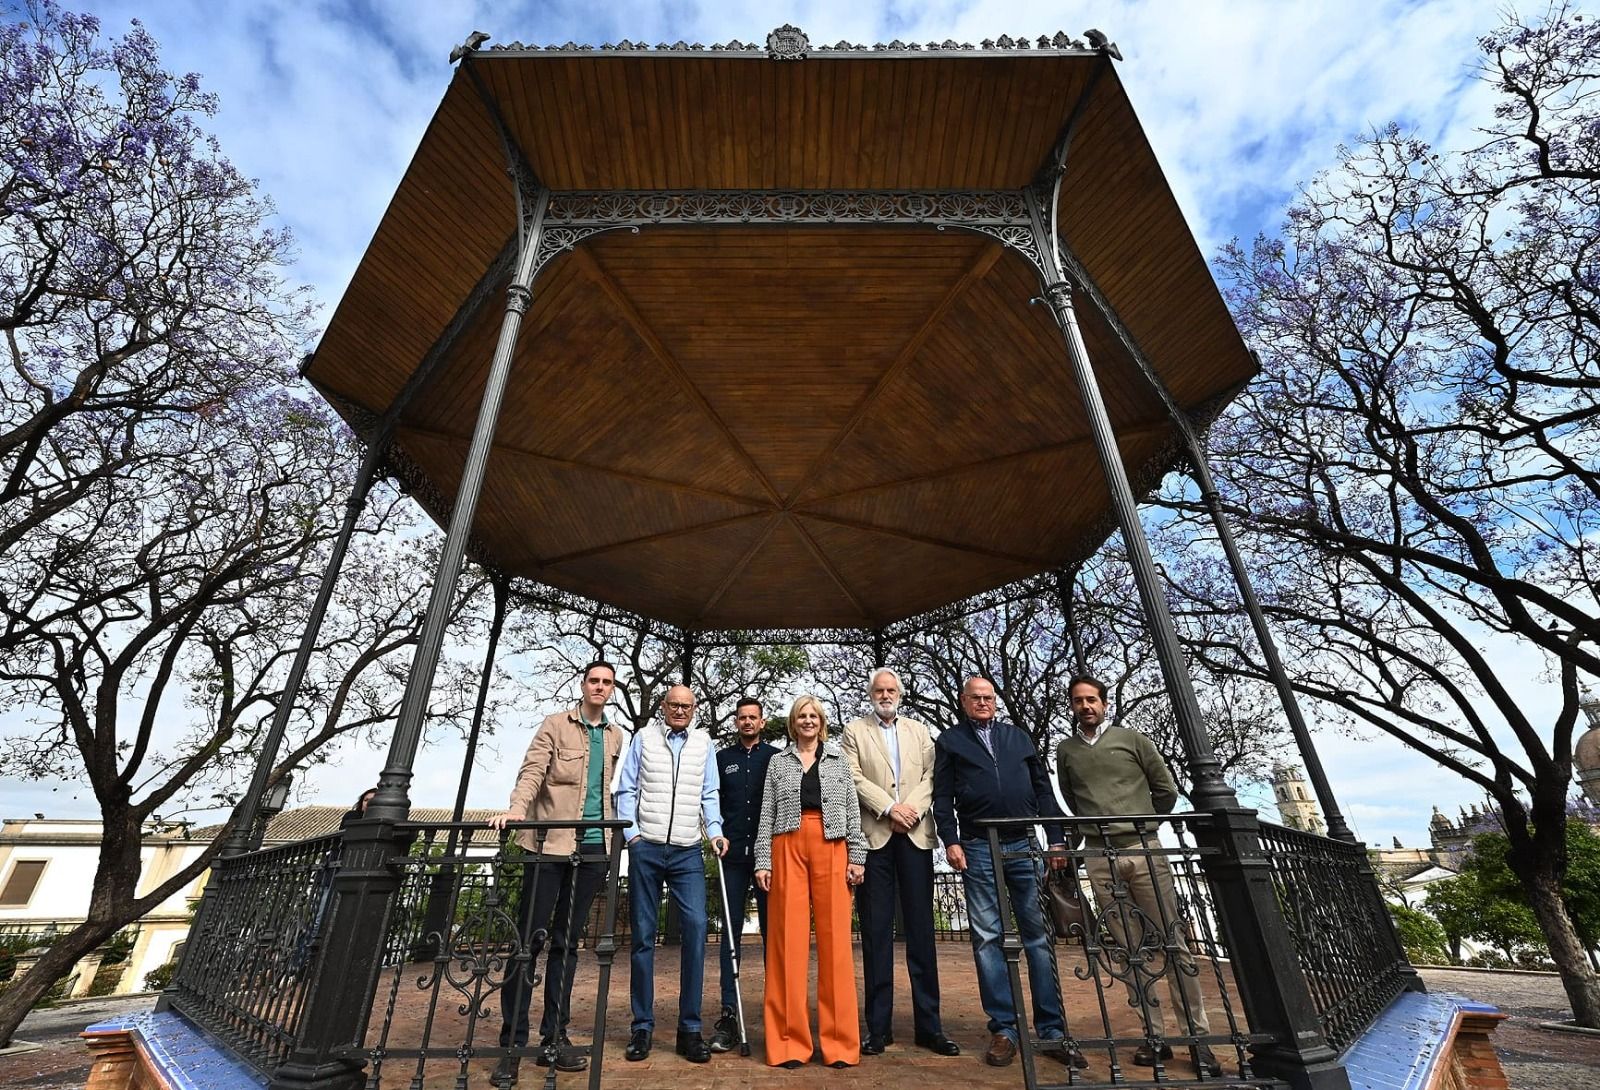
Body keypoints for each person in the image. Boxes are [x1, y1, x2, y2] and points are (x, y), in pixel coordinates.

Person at [1055, 676, 1221, 1076]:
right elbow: (1072, 798)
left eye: (1092, 699)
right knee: (1128, 949)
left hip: (1144, 850)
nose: (1085, 706)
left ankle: (1198, 1039)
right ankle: (1154, 1036)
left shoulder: (1133, 740)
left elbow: (1165, 789)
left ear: (1105, 703)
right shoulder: (1067, 750)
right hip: (1099, 855)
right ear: (1073, 707)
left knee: (1173, 942)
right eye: (1078, 701)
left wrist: (1143, 825)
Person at [932, 676, 1083, 1070]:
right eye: (976, 698)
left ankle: (1051, 1029)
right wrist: (951, 840)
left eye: (988, 697)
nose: (983, 702)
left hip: (1023, 843)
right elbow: (942, 798)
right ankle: (1005, 1029)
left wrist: (1054, 838)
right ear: (963, 701)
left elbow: (1043, 788)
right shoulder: (950, 741)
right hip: (979, 846)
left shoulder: (1018, 737)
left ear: (995, 701)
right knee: (987, 938)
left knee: (1038, 936)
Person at [485, 661, 624, 1082]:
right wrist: (516, 809)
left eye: (607, 683)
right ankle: (512, 1042)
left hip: (594, 849)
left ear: (612, 690)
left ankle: (554, 1039)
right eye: (594, 680)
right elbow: (532, 772)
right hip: (548, 846)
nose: (599, 687)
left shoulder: (617, 736)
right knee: (528, 942)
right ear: (583, 686)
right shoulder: (555, 725)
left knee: (567, 945)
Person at [840, 668, 959, 1057]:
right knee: (875, 935)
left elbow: (932, 776)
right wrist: (889, 807)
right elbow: (851, 777)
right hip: (874, 839)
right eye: (879, 689)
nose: (885, 694)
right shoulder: (854, 731)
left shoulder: (919, 731)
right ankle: (878, 1030)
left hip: (915, 838)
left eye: (891, 689)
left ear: (900, 694)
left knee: (922, 933)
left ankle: (930, 1027)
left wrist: (910, 810)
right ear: (870, 692)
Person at [614, 684, 728, 1064]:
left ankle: (689, 1029)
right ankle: (641, 1027)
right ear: (663, 707)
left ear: (694, 709)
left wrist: (714, 830)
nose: (680, 710)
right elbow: (626, 789)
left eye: (686, 706)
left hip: (686, 849)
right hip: (647, 847)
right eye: (674, 705)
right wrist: (632, 837)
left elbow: (709, 793)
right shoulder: (643, 738)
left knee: (696, 928)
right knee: (644, 937)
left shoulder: (703, 743)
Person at [754, 695, 866, 1069]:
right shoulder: (778, 762)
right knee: (787, 944)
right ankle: (788, 1043)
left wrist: (856, 856)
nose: (807, 721)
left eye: (813, 716)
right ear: (793, 722)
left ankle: (839, 1044)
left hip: (832, 845)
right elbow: (766, 812)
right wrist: (763, 860)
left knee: (836, 945)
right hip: (786, 844)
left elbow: (852, 810)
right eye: (801, 716)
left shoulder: (838, 761)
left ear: (821, 721)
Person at [710, 696, 778, 1052]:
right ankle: (728, 1013)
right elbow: (712, 802)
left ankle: (776, 1012)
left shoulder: (777, 758)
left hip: (769, 859)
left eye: (753, 717)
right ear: (736, 722)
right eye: (742, 718)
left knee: (774, 937)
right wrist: (715, 834)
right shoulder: (722, 759)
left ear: (762, 722)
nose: (748, 722)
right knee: (731, 939)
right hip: (733, 857)